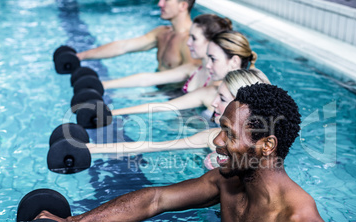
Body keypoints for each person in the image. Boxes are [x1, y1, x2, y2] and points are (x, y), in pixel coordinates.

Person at [36, 82, 337, 222]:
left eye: (229, 134)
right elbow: (156, 199)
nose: (217, 140)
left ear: (267, 145)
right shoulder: (228, 182)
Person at [87, 69, 270, 164]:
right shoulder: (212, 137)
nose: (213, 102)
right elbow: (154, 146)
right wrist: (93, 148)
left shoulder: (263, 150)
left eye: (221, 98)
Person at [109, 30, 262, 118]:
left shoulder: (258, 93)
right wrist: (111, 113)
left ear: (234, 61)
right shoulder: (211, 91)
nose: (207, 65)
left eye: (213, 59)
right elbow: (164, 106)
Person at [101, 14, 233, 93]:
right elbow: (146, 79)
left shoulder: (222, 83)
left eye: (194, 38)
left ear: (211, 41)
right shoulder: (193, 69)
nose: (188, 43)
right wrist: (104, 85)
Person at [77, 0, 199, 72]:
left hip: (177, 103)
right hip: (159, 93)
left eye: (166, 0)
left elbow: (192, 80)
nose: (159, 4)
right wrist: (80, 56)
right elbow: (122, 46)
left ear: (183, 5)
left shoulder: (190, 42)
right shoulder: (161, 32)